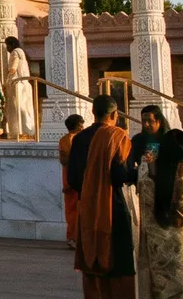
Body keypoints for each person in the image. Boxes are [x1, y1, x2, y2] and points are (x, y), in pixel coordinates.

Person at [72, 94, 137, 298]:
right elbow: (119, 175)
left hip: (88, 209)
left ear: (93, 113)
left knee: (93, 262)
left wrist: (91, 191)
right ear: (115, 114)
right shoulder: (118, 137)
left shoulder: (80, 138)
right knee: (119, 262)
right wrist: (138, 173)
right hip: (113, 207)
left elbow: (73, 178)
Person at [136, 128, 183, 298]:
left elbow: (148, 159)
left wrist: (153, 151)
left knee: (161, 287)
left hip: (157, 243)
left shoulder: (146, 178)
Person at [59, 114, 86, 248]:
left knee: (71, 210)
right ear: (77, 126)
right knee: (75, 210)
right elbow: (71, 160)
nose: (82, 127)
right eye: (81, 125)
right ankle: (74, 238)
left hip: (69, 178)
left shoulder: (64, 139)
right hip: (75, 178)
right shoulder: (74, 139)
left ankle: (73, 237)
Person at [2, 36, 35, 140]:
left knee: (18, 108)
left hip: (17, 84)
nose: (7, 48)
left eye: (7, 45)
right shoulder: (21, 52)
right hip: (23, 83)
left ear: (11, 45)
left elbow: (13, 68)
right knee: (24, 107)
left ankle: (21, 131)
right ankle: (27, 131)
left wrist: (7, 80)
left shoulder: (15, 52)